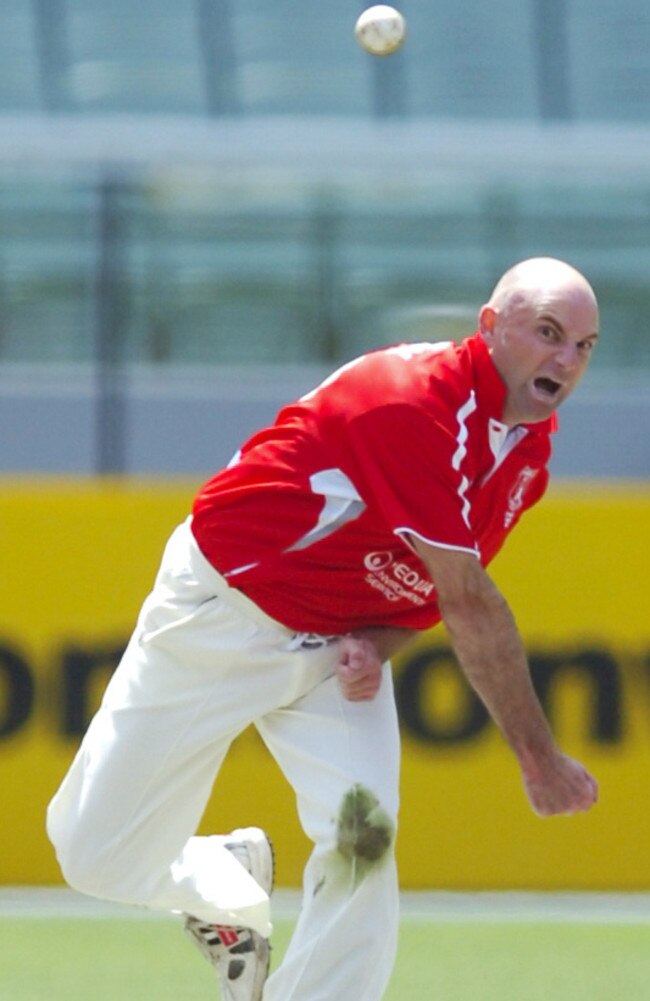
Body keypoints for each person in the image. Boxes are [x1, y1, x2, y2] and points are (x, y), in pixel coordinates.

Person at [47, 256, 600, 1001]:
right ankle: (229, 886)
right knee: (93, 855)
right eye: (548, 333)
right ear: (491, 327)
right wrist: (539, 758)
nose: (566, 359)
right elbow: (470, 601)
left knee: (362, 838)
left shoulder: (527, 456)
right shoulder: (410, 404)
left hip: (336, 648)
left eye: (584, 346)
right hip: (225, 614)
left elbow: (428, 592)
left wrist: (378, 644)